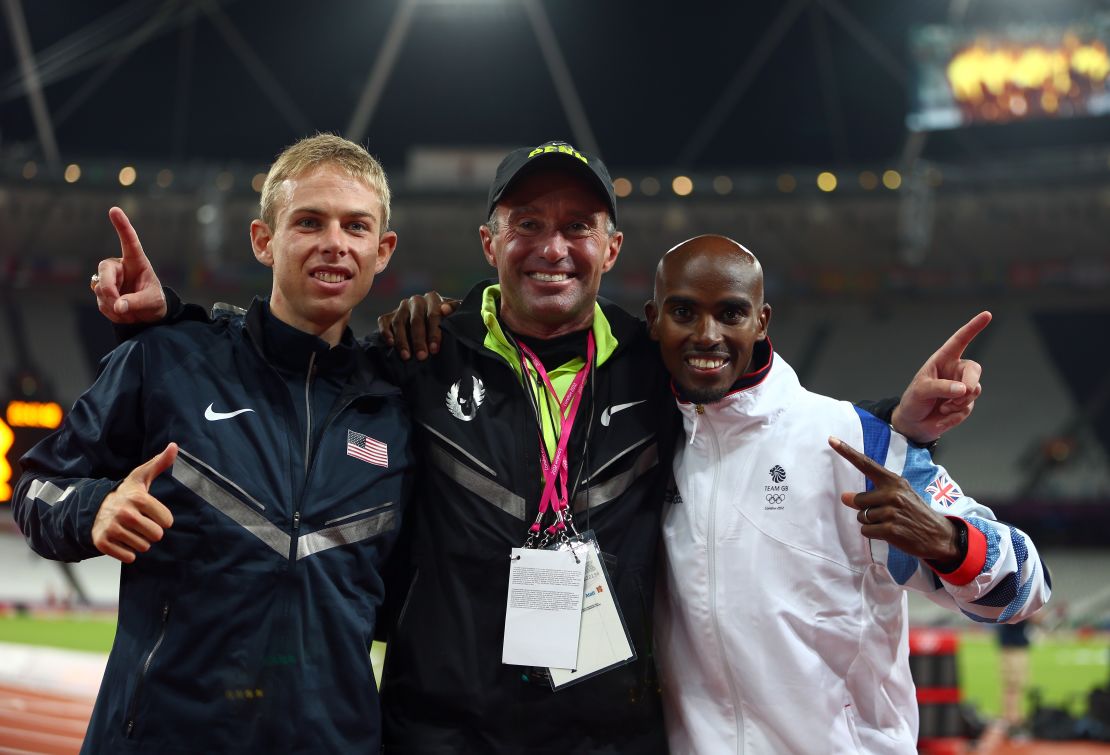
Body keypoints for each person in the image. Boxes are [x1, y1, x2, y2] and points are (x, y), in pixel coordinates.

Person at [91, 140, 984, 753]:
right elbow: (294, 362)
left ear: (610, 247)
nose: (551, 246)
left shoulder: (657, 362)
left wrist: (892, 419)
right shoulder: (419, 353)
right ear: (489, 242)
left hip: (605, 736)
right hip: (439, 735)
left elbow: (762, 413)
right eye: (526, 223)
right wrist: (177, 318)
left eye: (576, 226)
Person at [14, 134, 412, 752]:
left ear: (382, 250)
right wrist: (95, 509)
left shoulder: (397, 410)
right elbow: (35, 489)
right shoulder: (166, 361)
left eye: (355, 226)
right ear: (263, 240)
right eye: (308, 222)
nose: (334, 242)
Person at [645, 234, 1051, 754]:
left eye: (730, 313)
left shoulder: (856, 443)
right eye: (684, 312)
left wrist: (949, 542)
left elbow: (1028, 586)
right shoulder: (651, 444)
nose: (707, 335)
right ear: (654, 319)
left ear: (761, 321)